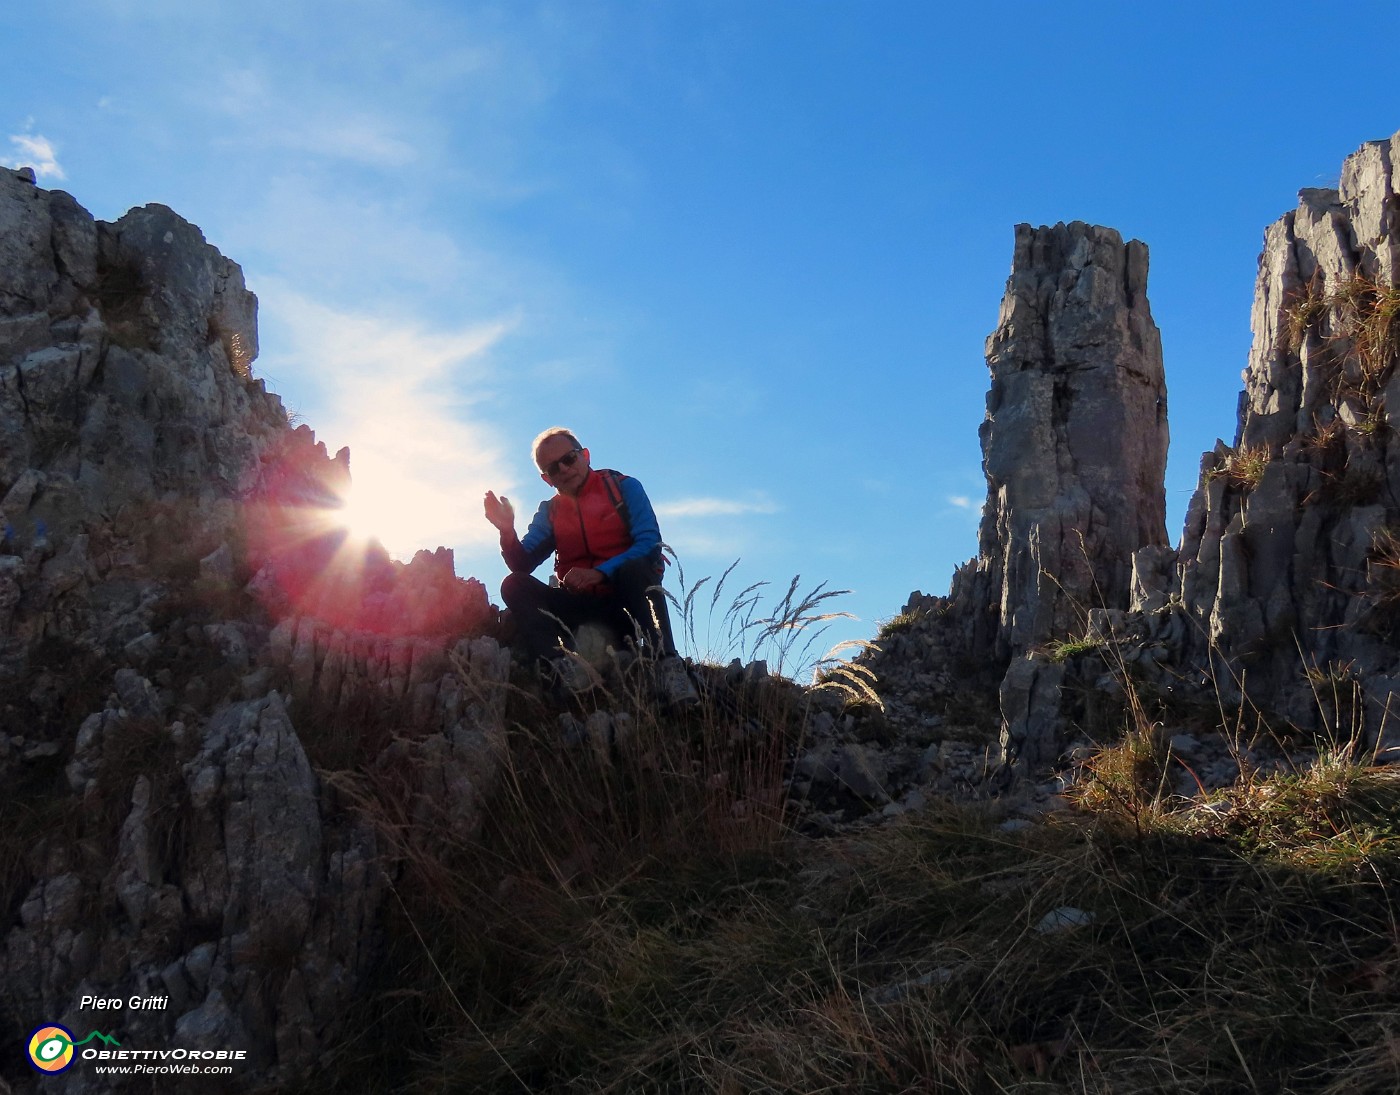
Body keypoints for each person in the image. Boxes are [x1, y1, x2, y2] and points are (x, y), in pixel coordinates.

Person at [483, 427, 697, 704]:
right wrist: (507, 532)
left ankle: (667, 663)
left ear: (584, 455)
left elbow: (649, 543)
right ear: (547, 479)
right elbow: (521, 564)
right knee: (514, 584)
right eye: (553, 468)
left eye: (569, 459)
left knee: (638, 567)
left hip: (627, 607)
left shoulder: (623, 487)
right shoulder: (551, 511)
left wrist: (599, 573)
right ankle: (559, 668)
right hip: (578, 608)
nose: (564, 469)